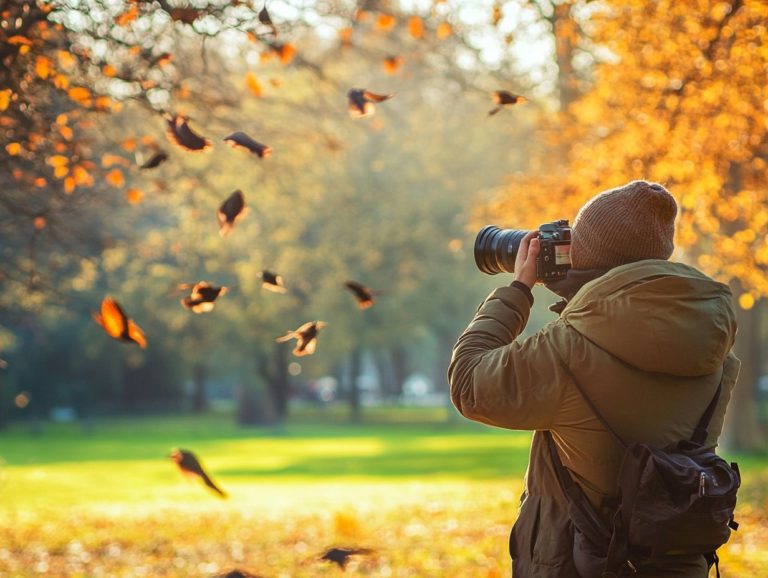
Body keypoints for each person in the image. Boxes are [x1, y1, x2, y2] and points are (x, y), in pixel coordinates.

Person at [448, 181, 739, 577]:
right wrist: (585, 298)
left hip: (580, 562)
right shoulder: (718, 352)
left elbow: (468, 382)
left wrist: (518, 289)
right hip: (675, 564)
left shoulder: (568, 351)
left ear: (586, 255)